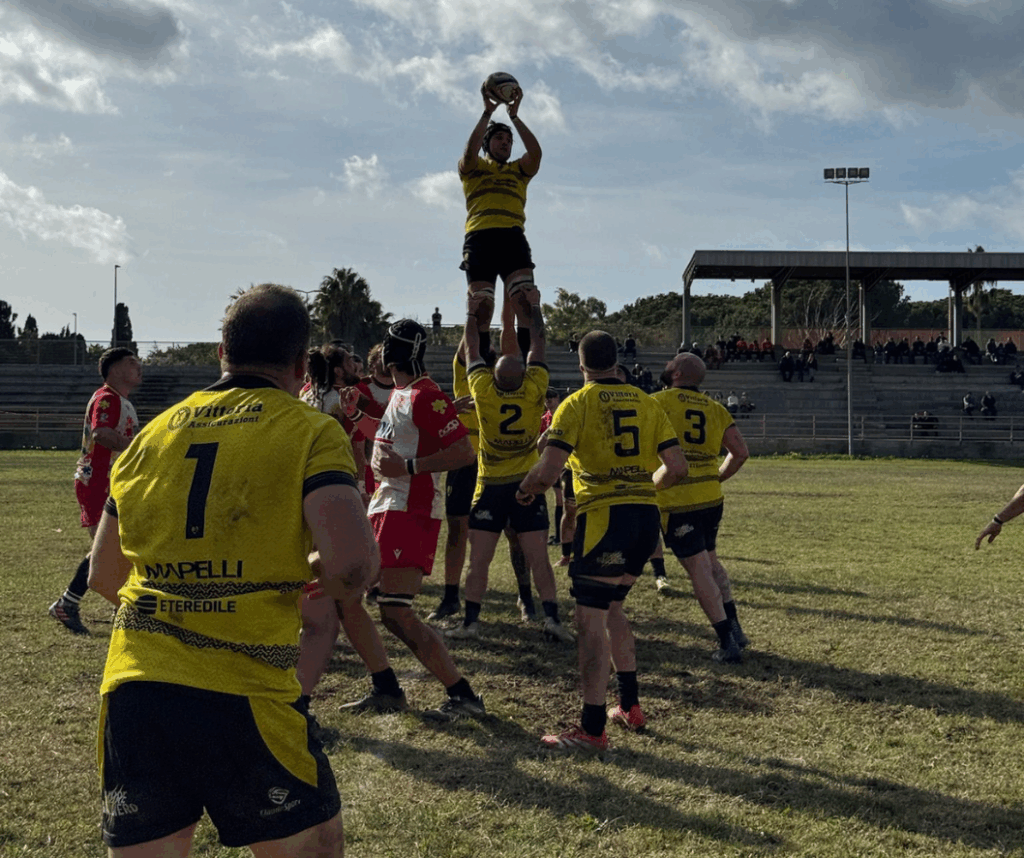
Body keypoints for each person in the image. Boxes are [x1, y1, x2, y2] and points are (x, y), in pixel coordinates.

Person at [88, 284, 377, 856]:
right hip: (247, 692)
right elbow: (352, 566)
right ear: (301, 364)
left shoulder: (151, 434)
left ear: (222, 348)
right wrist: (299, 573)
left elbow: (102, 575)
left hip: (136, 688)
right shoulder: (310, 430)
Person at [518, 331, 686, 752]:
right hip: (645, 518)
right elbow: (677, 468)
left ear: (581, 365)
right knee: (613, 608)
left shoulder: (577, 403)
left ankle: (592, 730)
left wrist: (524, 489)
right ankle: (629, 705)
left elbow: (546, 474)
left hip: (605, 519)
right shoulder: (647, 402)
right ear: (618, 361)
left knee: (590, 622)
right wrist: (645, 485)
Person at [339, 319, 486, 722]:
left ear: (390, 353)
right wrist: (360, 414)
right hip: (388, 507)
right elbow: (392, 437)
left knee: (394, 610)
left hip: (409, 510)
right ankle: (386, 686)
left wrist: (409, 466)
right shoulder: (405, 393)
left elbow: (462, 453)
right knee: (355, 599)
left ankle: (462, 695)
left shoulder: (427, 396)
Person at [447, 292, 573, 643]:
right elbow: (539, 344)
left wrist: (471, 313)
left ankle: (471, 622)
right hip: (526, 486)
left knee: (480, 562)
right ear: (523, 376)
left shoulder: (483, 389)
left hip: (490, 486)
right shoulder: (535, 387)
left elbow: (472, 348)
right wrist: (533, 309)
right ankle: (551, 619)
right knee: (539, 560)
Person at [652, 353, 751, 663]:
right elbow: (740, 453)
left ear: (678, 373)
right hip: (711, 498)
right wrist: (717, 476)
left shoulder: (656, 402)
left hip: (678, 498)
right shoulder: (715, 408)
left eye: (670, 365)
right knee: (711, 562)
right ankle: (735, 630)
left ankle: (726, 642)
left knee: (698, 569)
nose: (666, 368)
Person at [49, 347, 142, 635]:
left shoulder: (120, 400)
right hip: (100, 483)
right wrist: (139, 448)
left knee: (120, 545)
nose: (139, 366)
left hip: (111, 482)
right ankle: (68, 604)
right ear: (114, 370)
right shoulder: (108, 398)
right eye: (131, 363)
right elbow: (102, 433)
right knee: (106, 548)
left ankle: (117, 607)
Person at [460, 81, 541, 360]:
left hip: (512, 237)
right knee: (482, 305)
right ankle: (480, 364)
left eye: (508, 141)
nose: (505, 144)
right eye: (499, 139)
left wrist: (514, 116)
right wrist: (487, 113)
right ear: (487, 144)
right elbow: (469, 153)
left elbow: (536, 153)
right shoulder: (475, 167)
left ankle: (526, 366)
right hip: (480, 238)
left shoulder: (519, 170)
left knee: (524, 301)